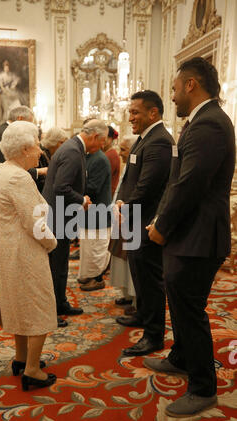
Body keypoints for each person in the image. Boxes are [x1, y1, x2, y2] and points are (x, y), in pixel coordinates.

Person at [146, 57, 236, 417]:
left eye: (174, 87)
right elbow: (179, 181)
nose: (172, 94)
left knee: (190, 308)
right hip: (190, 232)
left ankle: (202, 387)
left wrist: (162, 226)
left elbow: (190, 184)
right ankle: (182, 357)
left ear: (190, 85)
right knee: (179, 300)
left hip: (199, 235)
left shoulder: (209, 124)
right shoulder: (202, 121)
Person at [0, 120, 58, 391]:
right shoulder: (18, 177)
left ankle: (20, 358)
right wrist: (52, 244)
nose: (40, 150)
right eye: (37, 145)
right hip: (24, 251)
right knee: (39, 306)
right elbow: (35, 223)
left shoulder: (0, 171)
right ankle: (32, 370)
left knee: (18, 303)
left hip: (6, 249)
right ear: (25, 148)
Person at [115, 90, 174, 357]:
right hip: (134, 217)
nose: (130, 118)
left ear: (153, 113)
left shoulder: (160, 140)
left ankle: (154, 336)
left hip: (146, 221)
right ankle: (142, 314)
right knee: (138, 271)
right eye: (130, 112)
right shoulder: (145, 138)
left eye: (135, 112)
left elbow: (149, 185)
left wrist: (125, 206)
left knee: (150, 279)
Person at [43, 119, 108, 327]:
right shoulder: (72, 151)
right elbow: (61, 187)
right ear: (95, 136)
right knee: (55, 266)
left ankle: (61, 304)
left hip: (61, 216)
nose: (103, 146)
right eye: (103, 141)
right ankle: (51, 311)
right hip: (57, 217)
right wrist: (82, 199)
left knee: (61, 264)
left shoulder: (73, 147)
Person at [0, 105, 35, 294]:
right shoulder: (5, 133)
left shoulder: (2, 129)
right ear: (19, 118)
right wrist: (37, 172)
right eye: (29, 124)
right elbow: (13, 165)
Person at [78, 140, 112, 292]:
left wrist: (73, 189)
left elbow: (93, 187)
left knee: (97, 247)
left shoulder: (99, 159)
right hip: (88, 210)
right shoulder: (89, 156)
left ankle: (97, 279)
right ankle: (89, 274)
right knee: (88, 246)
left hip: (98, 211)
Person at [109, 135, 136, 308]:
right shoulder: (128, 165)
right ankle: (126, 294)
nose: (120, 153)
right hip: (122, 216)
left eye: (124, 149)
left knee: (131, 262)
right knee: (120, 259)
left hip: (132, 216)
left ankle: (135, 300)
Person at [28, 127, 68, 193]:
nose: (64, 146)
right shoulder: (40, 154)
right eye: (61, 142)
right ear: (53, 141)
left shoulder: (52, 154)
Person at [104, 125, 120, 197]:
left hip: (109, 193)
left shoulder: (111, 155)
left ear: (110, 139)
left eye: (104, 137)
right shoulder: (107, 153)